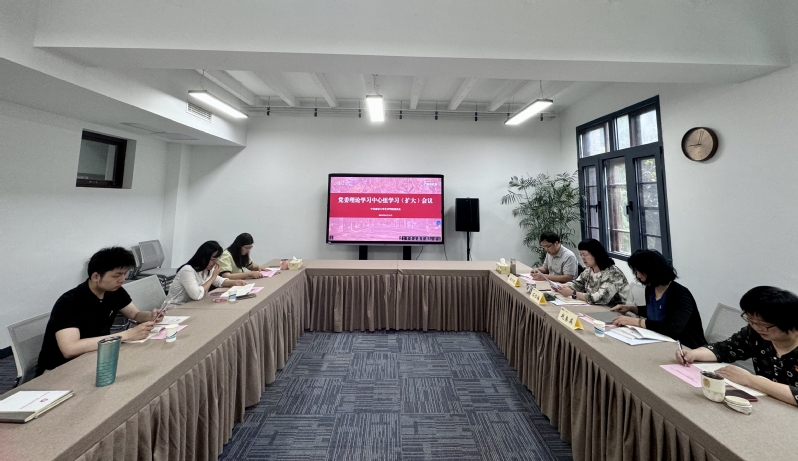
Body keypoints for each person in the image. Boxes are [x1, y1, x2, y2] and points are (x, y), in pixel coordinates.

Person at [36, 247, 163, 376]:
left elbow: (135, 314)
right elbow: (70, 349)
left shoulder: (114, 291)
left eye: (125, 274)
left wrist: (150, 315)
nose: (122, 279)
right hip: (60, 369)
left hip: (96, 357)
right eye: (116, 275)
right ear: (96, 276)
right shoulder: (69, 302)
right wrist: (127, 335)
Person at [676, 286, 798, 407]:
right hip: (766, 403)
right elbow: (724, 349)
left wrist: (751, 380)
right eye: (751, 320)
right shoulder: (755, 334)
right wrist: (693, 354)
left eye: (763, 324)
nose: (756, 327)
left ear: (788, 322)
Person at [610, 250, 707, 348]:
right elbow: (655, 311)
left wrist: (636, 322)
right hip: (660, 341)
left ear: (652, 271)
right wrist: (632, 308)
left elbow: (672, 328)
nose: (638, 275)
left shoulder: (680, 294)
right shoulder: (651, 288)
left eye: (640, 271)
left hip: (687, 347)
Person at [552, 239, 629, 306]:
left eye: (584, 255)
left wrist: (573, 293)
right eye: (581, 255)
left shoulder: (613, 273)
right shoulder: (589, 269)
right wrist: (562, 286)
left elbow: (600, 298)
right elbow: (578, 283)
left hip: (616, 310)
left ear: (596, 254)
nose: (582, 258)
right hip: (595, 306)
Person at [166, 240, 246, 305]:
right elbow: (196, 295)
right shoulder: (187, 271)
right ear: (204, 258)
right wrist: (213, 276)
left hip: (193, 305)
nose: (215, 263)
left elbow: (219, 281)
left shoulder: (207, 269)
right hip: (175, 308)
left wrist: (235, 282)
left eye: (217, 259)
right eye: (213, 260)